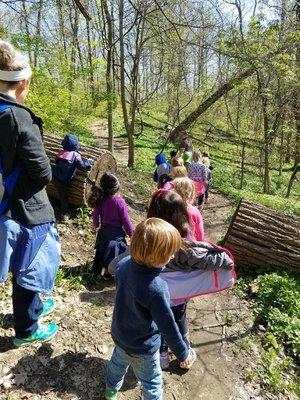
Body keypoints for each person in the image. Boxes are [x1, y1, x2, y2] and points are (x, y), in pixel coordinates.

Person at [0, 40, 60, 346]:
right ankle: (27, 329)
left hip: (4, 206)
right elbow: (43, 174)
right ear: (22, 82)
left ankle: (32, 308)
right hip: (24, 209)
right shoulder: (18, 118)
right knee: (31, 264)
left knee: (15, 264)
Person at [105, 218, 196, 400]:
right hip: (143, 347)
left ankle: (110, 391)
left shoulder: (123, 266)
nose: (171, 257)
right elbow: (167, 326)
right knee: (152, 382)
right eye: (169, 254)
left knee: (116, 365)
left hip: (120, 335)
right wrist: (182, 352)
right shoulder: (156, 288)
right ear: (156, 257)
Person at [88, 172, 133, 280]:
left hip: (103, 232)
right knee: (115, 256)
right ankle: (110, 273)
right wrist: (131, 233)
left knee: (101, 252)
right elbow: (125, 220)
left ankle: (98, 272)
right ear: (116, 188)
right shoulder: (119, 201)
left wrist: (96, 225)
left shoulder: (100, 200)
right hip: (116, 234)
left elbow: (95, 214)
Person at [52, 133, 93, 221]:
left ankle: (58, 206)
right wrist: (89, 163)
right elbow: (82, 166)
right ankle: (63, 214)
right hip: (64, 180)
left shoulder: (60, 153)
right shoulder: (75, 155)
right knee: (64, 198)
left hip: (55, 176)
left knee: (61, 194)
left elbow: (56, 162)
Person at [172, 177, 205, 241]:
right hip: (189, 243)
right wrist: (201, 243)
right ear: (192, 194)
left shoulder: (169, 207)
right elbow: (200, 232)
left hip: (173, 241)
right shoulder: (194, 211)